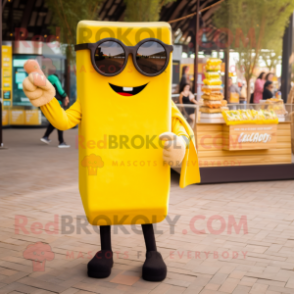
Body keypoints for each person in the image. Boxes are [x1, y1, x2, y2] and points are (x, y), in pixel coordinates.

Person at [40, 74, 70, 148]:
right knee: (60, 120)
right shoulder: (54, 78)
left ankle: (46, 136)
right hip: (56, 103)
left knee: (54, 121)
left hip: (49, 103)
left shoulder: (47, 80)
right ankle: (61, 142)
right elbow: (60, 90)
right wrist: (65, 96)